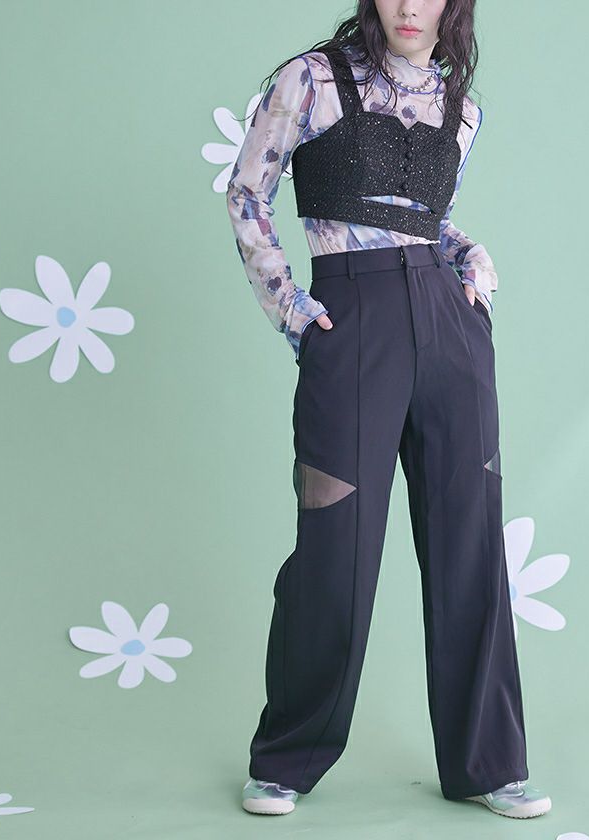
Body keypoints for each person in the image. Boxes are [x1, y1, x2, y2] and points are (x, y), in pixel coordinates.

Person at [226, 0, 552, 820]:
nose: (411, 6)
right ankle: (287, 758)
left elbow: (425, 223)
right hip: (351, 323)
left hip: (449, 330)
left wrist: (472, 260)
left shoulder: (460, 108)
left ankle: (488, 764)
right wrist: (291, 309)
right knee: (334, 550)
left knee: (470, 545)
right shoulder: (311, 79)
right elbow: (247, 192)